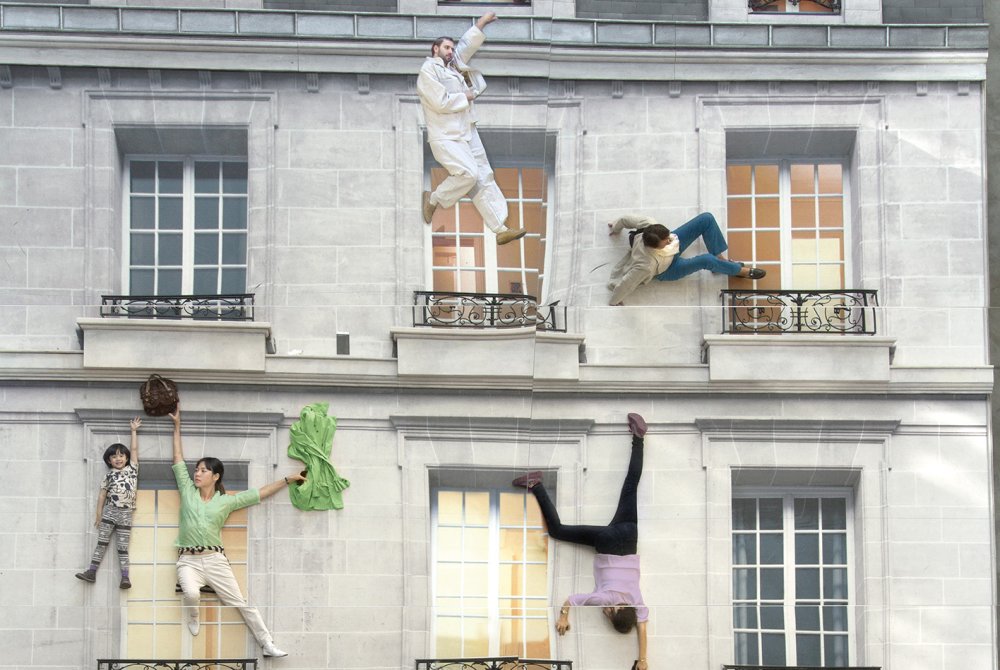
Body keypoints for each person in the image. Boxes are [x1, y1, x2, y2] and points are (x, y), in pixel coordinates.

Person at [512, 413, 652, 670]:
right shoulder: (604, 599)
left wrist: (643, 659)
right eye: (609, 615)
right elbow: (571, 600)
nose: (605, 613)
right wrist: (564, 617)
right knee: (558, 531)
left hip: (629, 537)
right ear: (613, 610)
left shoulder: (636, 600)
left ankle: (639, 437)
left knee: (631, 485)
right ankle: (537, 485)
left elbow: (643, 627)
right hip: (607, 543)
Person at [169, 406, 304, 658]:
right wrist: (177, 426)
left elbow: (259, 493)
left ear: (215, 475)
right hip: (187, 559)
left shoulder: (226, 501)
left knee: (242, 603)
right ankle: (194, 614)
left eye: (203, 470)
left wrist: (288, 479)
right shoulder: (187, 491)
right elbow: (177, 459)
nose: (197, 473)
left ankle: (267, 644)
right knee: (190, 592)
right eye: (196, 469)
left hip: (215, 560)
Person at [417, 12, 527, 246]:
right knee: (469, 174)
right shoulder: (428, 71)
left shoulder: (454, 65)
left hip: (466, 130)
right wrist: (465, 95)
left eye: (451, 48)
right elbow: (440, 101)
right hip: (446, 136)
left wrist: (482, 22)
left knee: (484, 176)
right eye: (446, 47)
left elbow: (467, 44)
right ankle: (434, 198)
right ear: (435, 49)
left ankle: (499, 228)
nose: (450, 51)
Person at [607, 212, 766, 306]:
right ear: (656, 247)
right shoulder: (645, 264)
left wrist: (615, 227)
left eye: (668, 236)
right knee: (706, 260)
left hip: (671, 251)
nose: (669, 240)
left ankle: (721, 259)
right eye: (666, 241)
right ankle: (739, 270)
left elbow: (626, 219)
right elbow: (627, 283)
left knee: (706, 218)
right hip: (668, 269)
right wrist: (615, 301)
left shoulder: (649, 225)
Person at [76, 417, 142, 589]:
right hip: (110, 511)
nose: (118, 458)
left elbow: (134, 449)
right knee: (102, 542)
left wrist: (133, 430)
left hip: (126, 513)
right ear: (109, 461)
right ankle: (91, 571)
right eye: (114, 456)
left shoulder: (132, 469)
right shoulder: (109, 475)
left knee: (122, 547)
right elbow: (101, 495)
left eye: (121, 455)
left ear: (127, 458)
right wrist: (98, 514)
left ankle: (125, 577)